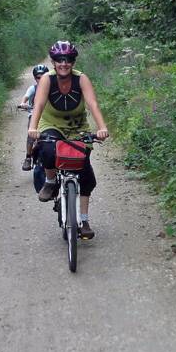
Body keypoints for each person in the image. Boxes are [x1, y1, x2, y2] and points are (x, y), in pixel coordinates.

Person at [28, 41, 109, 239]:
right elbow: (38, 104)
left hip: (77, 127)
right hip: (51, 124)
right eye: (59, 60)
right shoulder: (48, 79)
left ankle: (84, 218)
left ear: (73, 61)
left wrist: (102, 127)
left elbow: (93, 104)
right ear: (53, 62)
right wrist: (33, 127)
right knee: (47, 151)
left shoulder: (81, 79)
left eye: (68, 60)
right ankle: (49, 181)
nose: (64, 64)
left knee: (85, 172)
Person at [17, 64, 49, 171]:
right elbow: (25, 98)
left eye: (43, 76)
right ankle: (28, 157)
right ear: (35, 78)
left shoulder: (52, 88)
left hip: (49, 116)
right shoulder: (33, 89)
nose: (40, 79)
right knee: (31, 134)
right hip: (34, 114)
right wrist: (23, 103)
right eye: (38, 77)